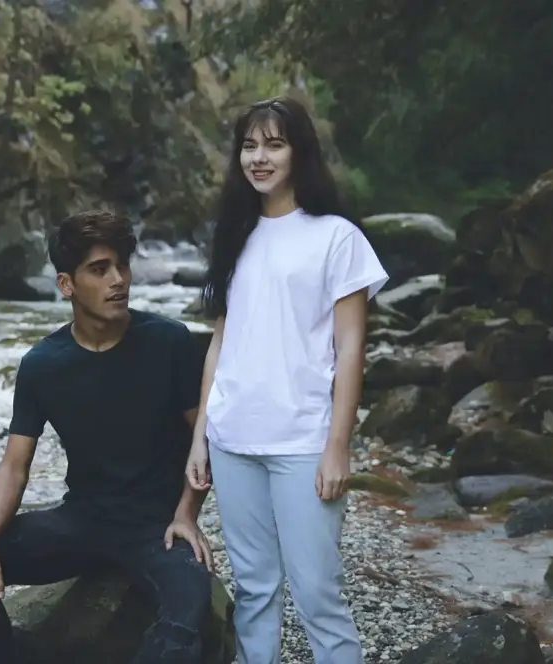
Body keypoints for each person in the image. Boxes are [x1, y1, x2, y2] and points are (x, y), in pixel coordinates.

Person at [0, 209, 215, 664]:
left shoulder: (170, 342)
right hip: (82, 521)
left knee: (189, 611)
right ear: (66, 285)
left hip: (157, 529)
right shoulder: (44, 364)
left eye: (122, 266)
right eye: (99, 270)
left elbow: (205, 440)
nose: (118, 280)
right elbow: (15, 466)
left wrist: (187, 514)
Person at [185, 96, 389, 664]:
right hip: (234, 440)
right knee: (253, 591)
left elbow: (350, 347)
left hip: (302, 440)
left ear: (300, 152)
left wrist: (338, 446)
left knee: (318, 594)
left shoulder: (336, 237)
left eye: (273, 144)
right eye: (249, 146)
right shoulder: (234, 235)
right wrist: (202, 434)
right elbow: (221, 343)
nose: (259, 157)